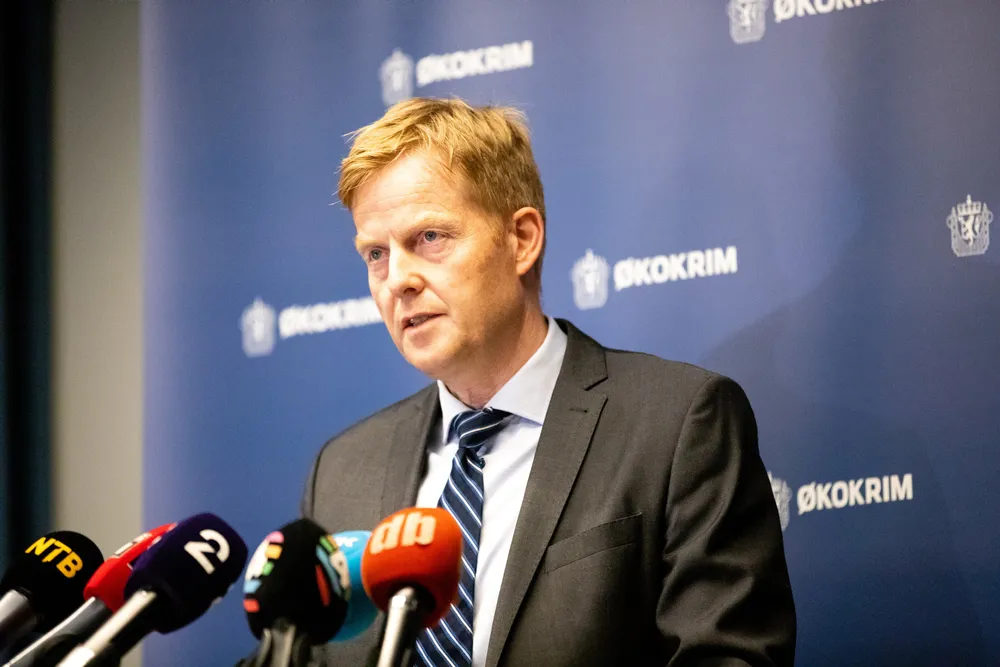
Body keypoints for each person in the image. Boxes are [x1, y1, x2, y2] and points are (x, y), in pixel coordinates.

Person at [303, 97, 795, 667]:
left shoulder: (677, 425)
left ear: (522, 239)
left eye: (430, 237)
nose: (398, 280)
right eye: (376, 254)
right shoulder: (342, 472)